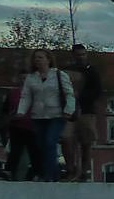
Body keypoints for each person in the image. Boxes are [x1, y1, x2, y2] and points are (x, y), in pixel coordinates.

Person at [15, 49, 76, 182]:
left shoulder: (60, 75)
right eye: (36, 58)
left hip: (56, 115)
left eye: (41, 57)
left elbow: (69, 94)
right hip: (38, 116)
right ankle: (51, 172)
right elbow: (26, 96)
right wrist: (21, 111)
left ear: (48, 59)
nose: (38, 60)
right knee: (41, 145)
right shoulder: (31, 77)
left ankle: (49, 175)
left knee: (50, 142)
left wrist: (69, 110)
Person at [66, 46, 102, 181]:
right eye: (78, 55)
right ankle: (71, 168)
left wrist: (81, 96)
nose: (81, 57)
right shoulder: (67, 70)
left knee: (86, 143)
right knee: (67, 139)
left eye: (83, 54)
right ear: (73, 56)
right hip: (69, 112)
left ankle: (84, 171)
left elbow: (97, 91)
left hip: (87, 111)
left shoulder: (92, 71)